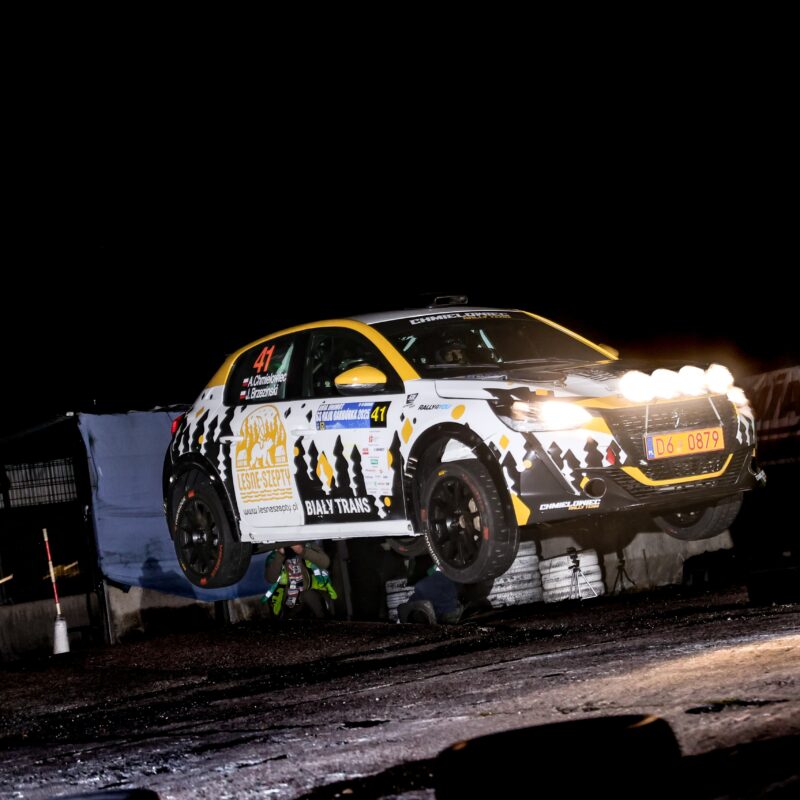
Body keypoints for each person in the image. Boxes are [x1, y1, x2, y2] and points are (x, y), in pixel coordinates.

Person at [261, 542, 337, 619]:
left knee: (310, 597)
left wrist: (302, 551)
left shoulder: (308, 545)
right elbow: (270, 579)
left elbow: (325, 563)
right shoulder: (274, 556)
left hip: (312, 591)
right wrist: (280, 554)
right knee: (290, 609)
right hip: (290, 596)